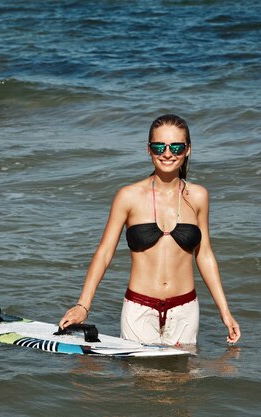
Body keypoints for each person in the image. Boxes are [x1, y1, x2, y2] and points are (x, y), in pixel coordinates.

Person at [59, 114, 241, 346]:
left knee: (182, 381)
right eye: (159, 146)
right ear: (148, 150)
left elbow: (204, 254)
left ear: (188, 150)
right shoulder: (128, 196)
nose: (167, 153)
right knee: (143, 381)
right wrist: (83, 305)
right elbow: (104, 253)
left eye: (176, 146)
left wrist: (225, 312)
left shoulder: (198, 196)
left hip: (185, 310)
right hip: (138, 309)